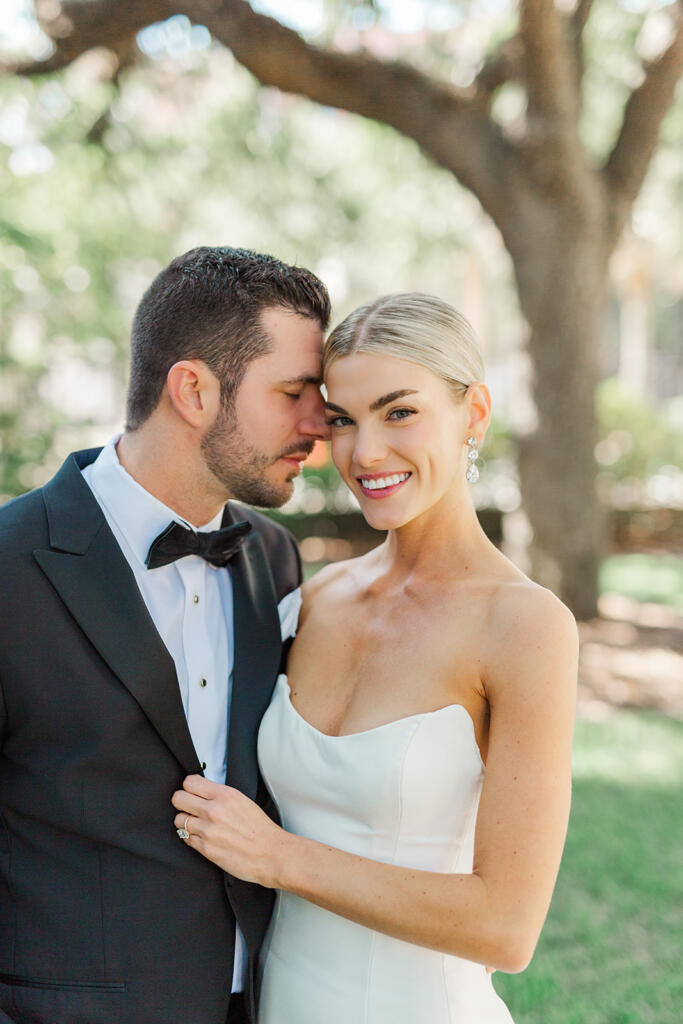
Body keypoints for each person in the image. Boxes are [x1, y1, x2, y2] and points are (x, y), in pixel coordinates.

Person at [172, 292, 579, 1023]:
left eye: (399, 412)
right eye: (343, 420)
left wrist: (278, 858)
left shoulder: (524, 627)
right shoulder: (312, 598)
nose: (365, 454)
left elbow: (506, 929)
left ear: (473, 415)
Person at [0, 246, 330, 1024]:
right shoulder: (10, 566)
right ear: (192, 390)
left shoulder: (273, 557)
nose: (318, 427)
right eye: (293, 393)